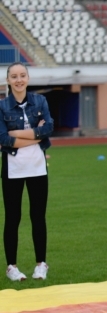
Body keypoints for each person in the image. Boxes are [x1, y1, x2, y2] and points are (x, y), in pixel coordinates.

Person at [0, 62, 53, 282]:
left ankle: (41, 264)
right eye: (14, 76)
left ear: (28, 78)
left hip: (37, 167)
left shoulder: (40, 101)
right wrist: (34, 135)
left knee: (38, 217)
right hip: (12, 168)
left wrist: (17, 134)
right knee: (13, 218)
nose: (19, 80)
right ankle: (11, 267)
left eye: (22, 75)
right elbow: (3, 139)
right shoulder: (2, 107)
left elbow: (48, 129)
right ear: (8, 81)